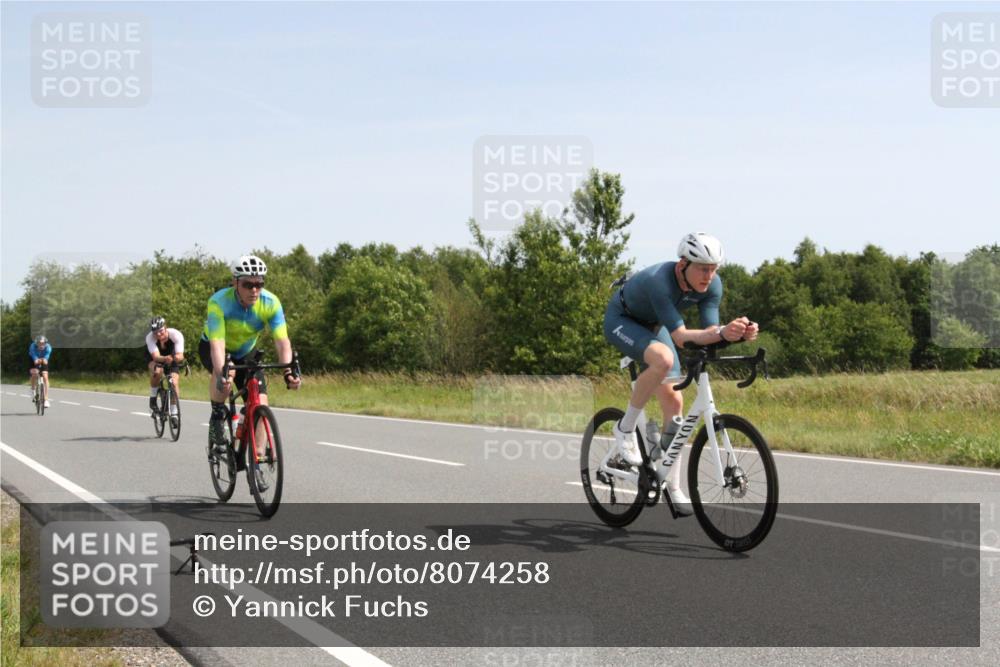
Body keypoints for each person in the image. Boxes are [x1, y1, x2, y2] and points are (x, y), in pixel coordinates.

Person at [602, 232, 759, 514]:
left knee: (675, 403)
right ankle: (624, 428)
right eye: (702, 268)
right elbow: (681, 337)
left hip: (654, 323)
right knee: (662, 359)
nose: (708, 276)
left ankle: (671, 485)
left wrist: (736, 333)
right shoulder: (660, 281)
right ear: (681, 266)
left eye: (713, 269)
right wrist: (722, 333)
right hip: (623, 320)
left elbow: (711, 332)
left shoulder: (713, 285)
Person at [199, 254, 301, 459]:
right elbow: (217, 345)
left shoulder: (271, 303)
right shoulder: (219, 302)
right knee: (225, 380)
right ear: (235, 282)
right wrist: (222, 375)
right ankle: (217, 417)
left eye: (259, 284)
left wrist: (288, 370)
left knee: (261, 403)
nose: (254, 290)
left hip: (246, 352)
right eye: (248, 284)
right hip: (215, 347)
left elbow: (282, 341)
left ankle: (259, 456)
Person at [146, 316, 185, 415]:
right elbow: (156, 357)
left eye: (161, 331)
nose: (158, 334)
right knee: (157, 371)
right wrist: (165, 358)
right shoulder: (150, 338)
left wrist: (177, 358)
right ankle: (153, 398)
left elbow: (180, 355)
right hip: (156, 356)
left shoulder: (176, 335)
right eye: (155, 332)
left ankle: (174, 411)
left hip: (171, 355)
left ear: (166, 327)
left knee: (174, 382)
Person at [29, 335, 52, 408]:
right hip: (33, 359)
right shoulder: (32, 346)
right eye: (39, 343)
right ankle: (33, 392)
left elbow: (47, 356)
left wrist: (45, 359)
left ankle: (46, 399)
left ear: (45, 343)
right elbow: (33, 355)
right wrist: (36, 359)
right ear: (36, 343)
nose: (41, 345)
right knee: (34, 373)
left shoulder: (48, 347)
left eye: (43, 343)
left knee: (45, 377)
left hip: (43, 359)